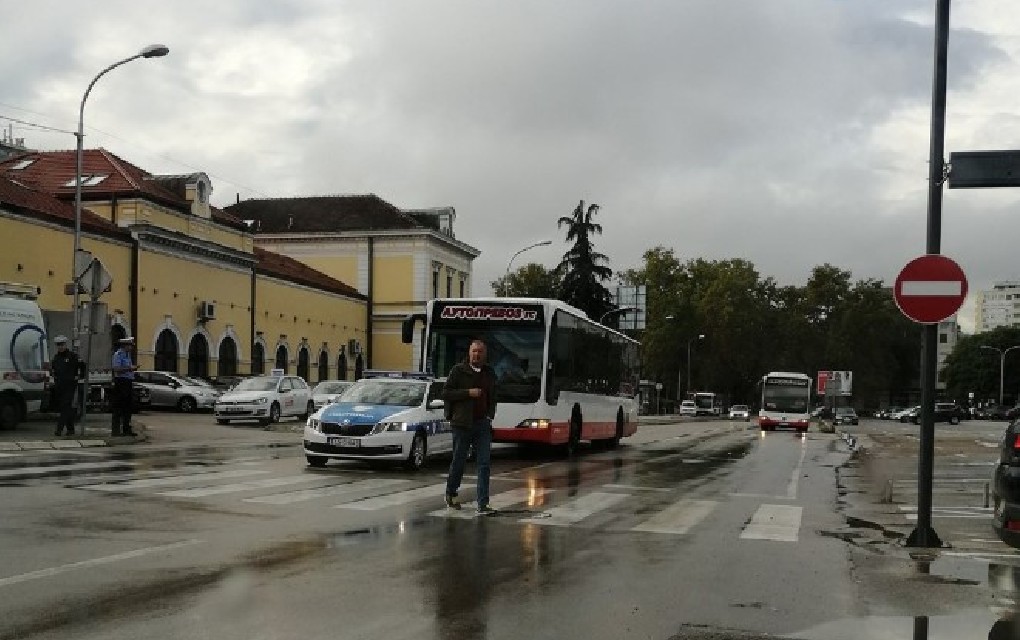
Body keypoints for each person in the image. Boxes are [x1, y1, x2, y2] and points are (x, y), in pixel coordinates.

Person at [443, 339, 498, 514]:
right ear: (469, 353)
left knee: (484, 463)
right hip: (462, 423)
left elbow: (493, 396)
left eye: (480, 352)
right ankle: (451, 493)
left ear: (485, 354)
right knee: (459, 461)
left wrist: (490, 415)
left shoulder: (489, 373)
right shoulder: (458, 371)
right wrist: (468, 393)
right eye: (474, 351)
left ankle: (483, 503)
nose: (477, 355)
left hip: (482, 423)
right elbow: (446, 393)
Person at [50, 335, 83, 437]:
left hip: (70, 386)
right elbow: (54, 371)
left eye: (62, 344)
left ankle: (59, 430)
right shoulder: (56, 358)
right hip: (60, 386)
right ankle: (71, 429)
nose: (60, 347)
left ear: (65, 344)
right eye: (58, 345)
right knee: (65, 408)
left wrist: (79, 376)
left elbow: (83, 366)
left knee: (65, 407)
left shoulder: (72, 356)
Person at [111, 337, 138, 437]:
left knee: (128, 407)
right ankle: (116, 431)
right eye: (130, 345)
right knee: (118, 407)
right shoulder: (118, 355)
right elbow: (116, 369)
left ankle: (126, 429)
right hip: (121, 383)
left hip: (128, 382)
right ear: (125, 345)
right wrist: (130, 368)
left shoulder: (127, 355)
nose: (131, 347)